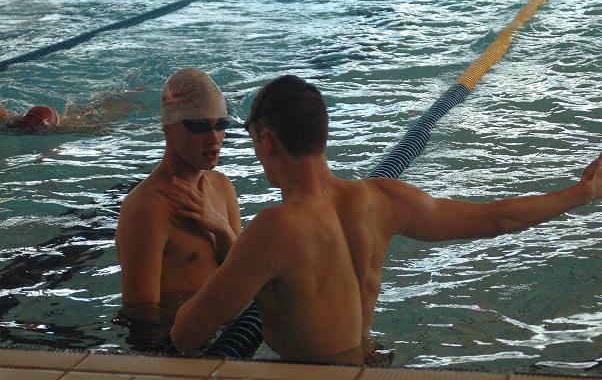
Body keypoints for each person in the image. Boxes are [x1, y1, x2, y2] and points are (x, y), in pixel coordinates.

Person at [170, 75, 601, 365]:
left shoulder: (273, 228)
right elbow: (497, 219)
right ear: (322, 134)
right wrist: (581, 193)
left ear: (266, 140)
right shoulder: (381, 198)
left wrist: (221, 249)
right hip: (370, 361)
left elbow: (187, 334)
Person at [115, 67, 241, 330]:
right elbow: (141, 314)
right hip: (179, 340)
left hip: (225, 333)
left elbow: (244, 275)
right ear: (168, 126)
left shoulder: (222, 187)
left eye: (221, 124)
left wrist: (220, 228)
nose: (214, 138)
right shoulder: (146, 208)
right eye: (199, 126)